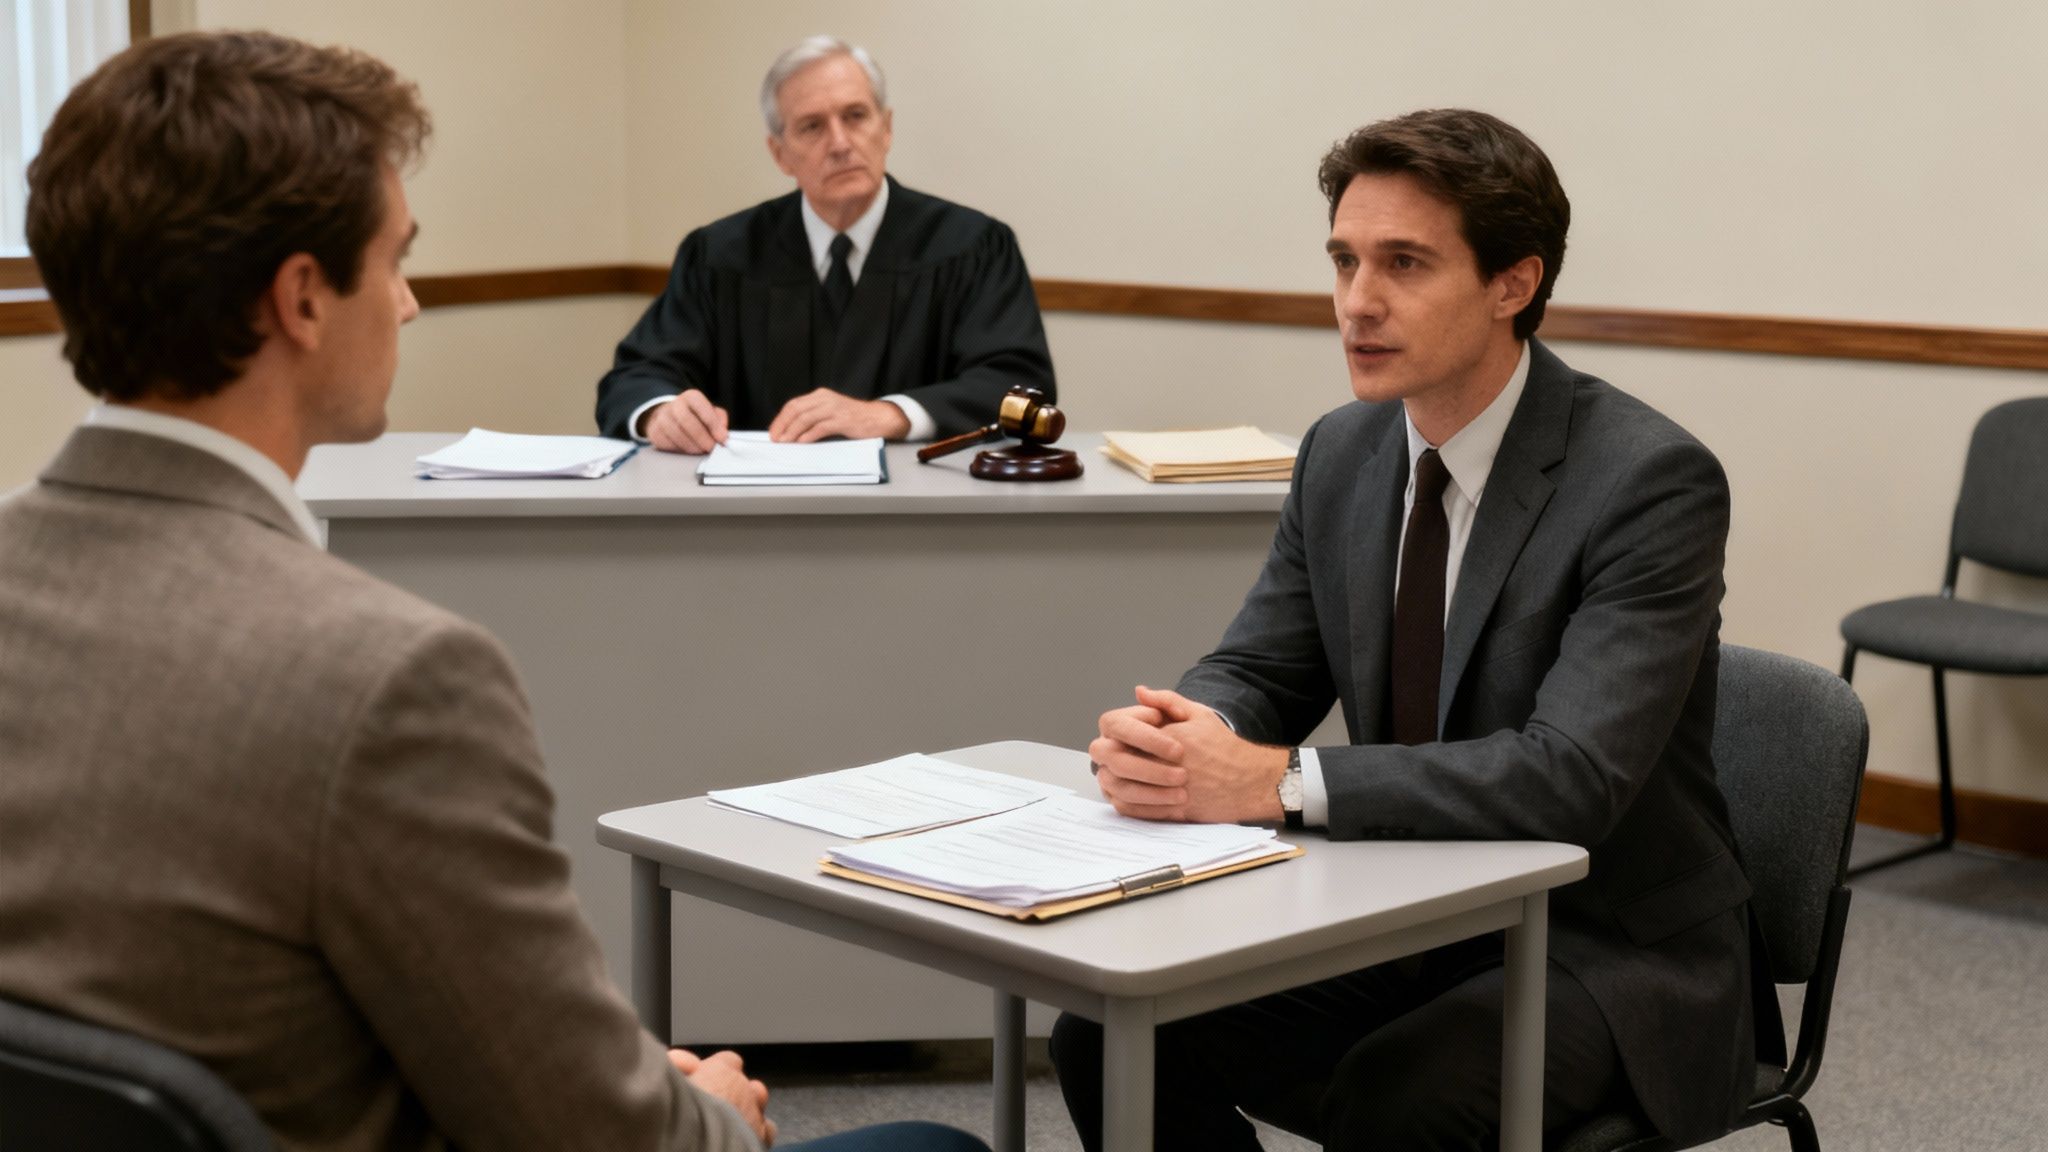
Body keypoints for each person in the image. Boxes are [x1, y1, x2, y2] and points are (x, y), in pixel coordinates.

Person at [0, 30, 985, 1152]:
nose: (412, 305)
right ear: (303, 300)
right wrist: (708, 1117)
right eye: (395, 258)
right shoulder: (388, 683)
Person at [1052, 109, 1781, 1150]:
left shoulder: (1645, 481)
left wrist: (1271, 783)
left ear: (1511, 284)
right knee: (1108, 1030)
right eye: (1343, 261)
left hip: (1605, 947)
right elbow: (1260, 666)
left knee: (1403, 1097)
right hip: (1405, 909)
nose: (1356, 302)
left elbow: (1567, 777)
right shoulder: (1342, 451)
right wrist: (1182, 737)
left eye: (1403, 263)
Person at [595, 35, 1055, 452]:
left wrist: (889, 414)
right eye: (812, 126)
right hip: (751, 520)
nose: (840, 143)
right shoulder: (719, 255)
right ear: (780, 154)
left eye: (855, 116)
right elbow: (636, 376)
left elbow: (1018, 385)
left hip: (922, 518)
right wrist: (660, 413)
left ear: (886, 128)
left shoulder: (973, 246)